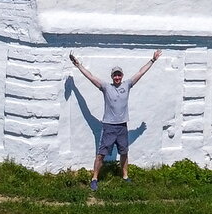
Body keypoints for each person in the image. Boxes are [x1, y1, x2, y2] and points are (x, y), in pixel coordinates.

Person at [69, 51, 161, 190]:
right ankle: (94, 178)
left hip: (122, 126)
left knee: (124, 152)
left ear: (122, 76)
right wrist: (78, 65)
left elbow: (140, 72)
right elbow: (91, 77)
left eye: (119, 75)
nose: (117, 77)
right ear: (112, 77)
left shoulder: (127, 85)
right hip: (109, 126)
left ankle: (125, 176)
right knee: (101, 154)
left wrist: (152, 60)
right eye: (115, 75)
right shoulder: (106, 87)